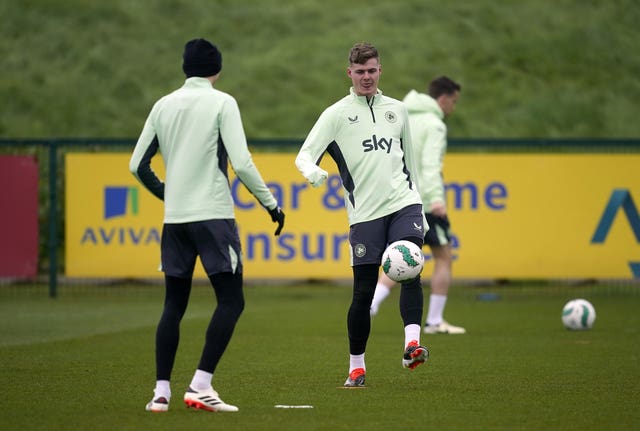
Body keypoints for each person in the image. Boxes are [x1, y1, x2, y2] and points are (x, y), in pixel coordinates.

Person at [129, 38, 285, 413]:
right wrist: (270, 204)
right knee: (232, 300)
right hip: (213, 217)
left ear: (186, 67)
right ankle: (201, 384)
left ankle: (161, 393)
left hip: (176, 220)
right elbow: (242, 163)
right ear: (217, 68)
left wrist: (169, 195)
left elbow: (137, 165)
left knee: (174, 304)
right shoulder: (222, 102)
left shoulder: (163, 105)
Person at [295, 42, 429, 388]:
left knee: (411, 264)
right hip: (365, 214)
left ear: (380, 70)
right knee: (362, 295)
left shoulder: (398, 110)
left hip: (404, 202)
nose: (366, 77)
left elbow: (410, 165)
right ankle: (357, 366)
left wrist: (422, 211)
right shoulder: (336, 115)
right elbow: (304, 156)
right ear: (349, 73)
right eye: (360, 72)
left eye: (372, 70)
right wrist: (313, 173)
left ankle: (411, 344)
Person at [369, 76, 465, 335]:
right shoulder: (435, 125)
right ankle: (434, 321)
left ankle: (372, 303)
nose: (452, 108)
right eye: (453, 102)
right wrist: (436, 200)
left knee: (402, 256)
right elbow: (430, 166)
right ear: (443, 98)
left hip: (401, 198)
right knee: (444, 256)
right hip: (424, 200)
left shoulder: (402, 116)